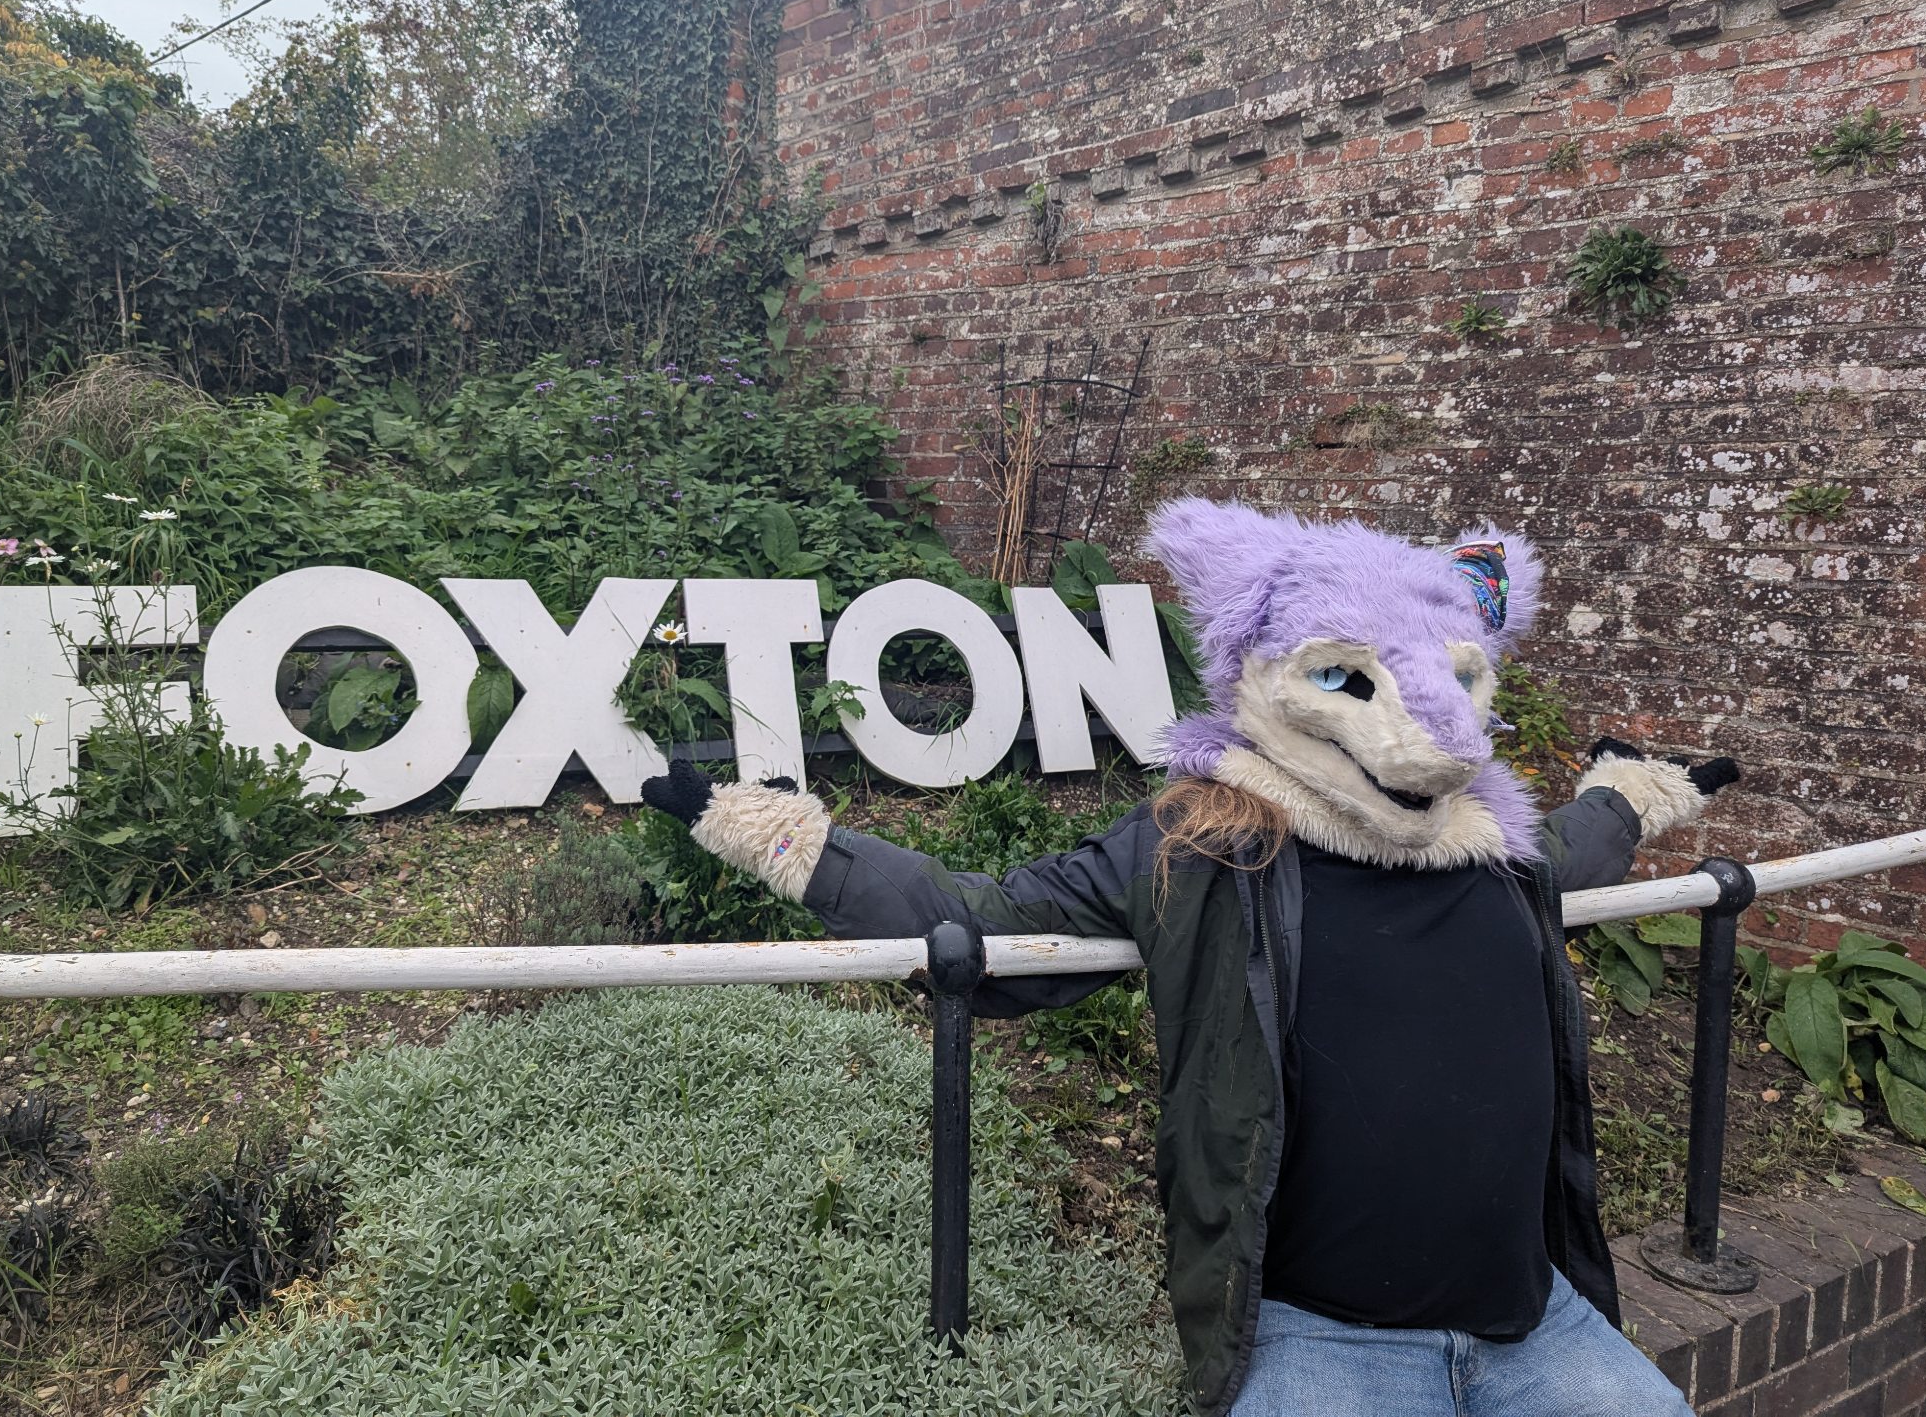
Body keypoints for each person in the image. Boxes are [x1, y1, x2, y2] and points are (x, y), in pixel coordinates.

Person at [641, 500, 1739, 1417]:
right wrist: (776, 834)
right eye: (1348, 677)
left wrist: (1629, 791)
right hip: (1324, 1345)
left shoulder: (1494, 842)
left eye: (1459, 680)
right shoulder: (1207, 843)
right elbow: (985, 926)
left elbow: (1572, 848)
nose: (1447, 739)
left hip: (1536, 1323)